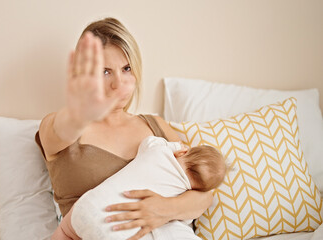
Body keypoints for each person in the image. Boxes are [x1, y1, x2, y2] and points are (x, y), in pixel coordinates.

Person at [35, 17, 213, 240]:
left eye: (126, 68)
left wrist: (162, 209)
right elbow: (62, 129)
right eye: (105, 71)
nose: (118, 84)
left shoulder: (155, 126)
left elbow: (204, 196)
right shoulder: (61, 127)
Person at [52, 136, 227, 240]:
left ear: (184, 152)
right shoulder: (183, 191)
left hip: (89, 205)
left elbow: (148, 142)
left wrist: (173, 147)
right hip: (116, 231)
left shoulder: (160, 151)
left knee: (65, 231)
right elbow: (186, 216)